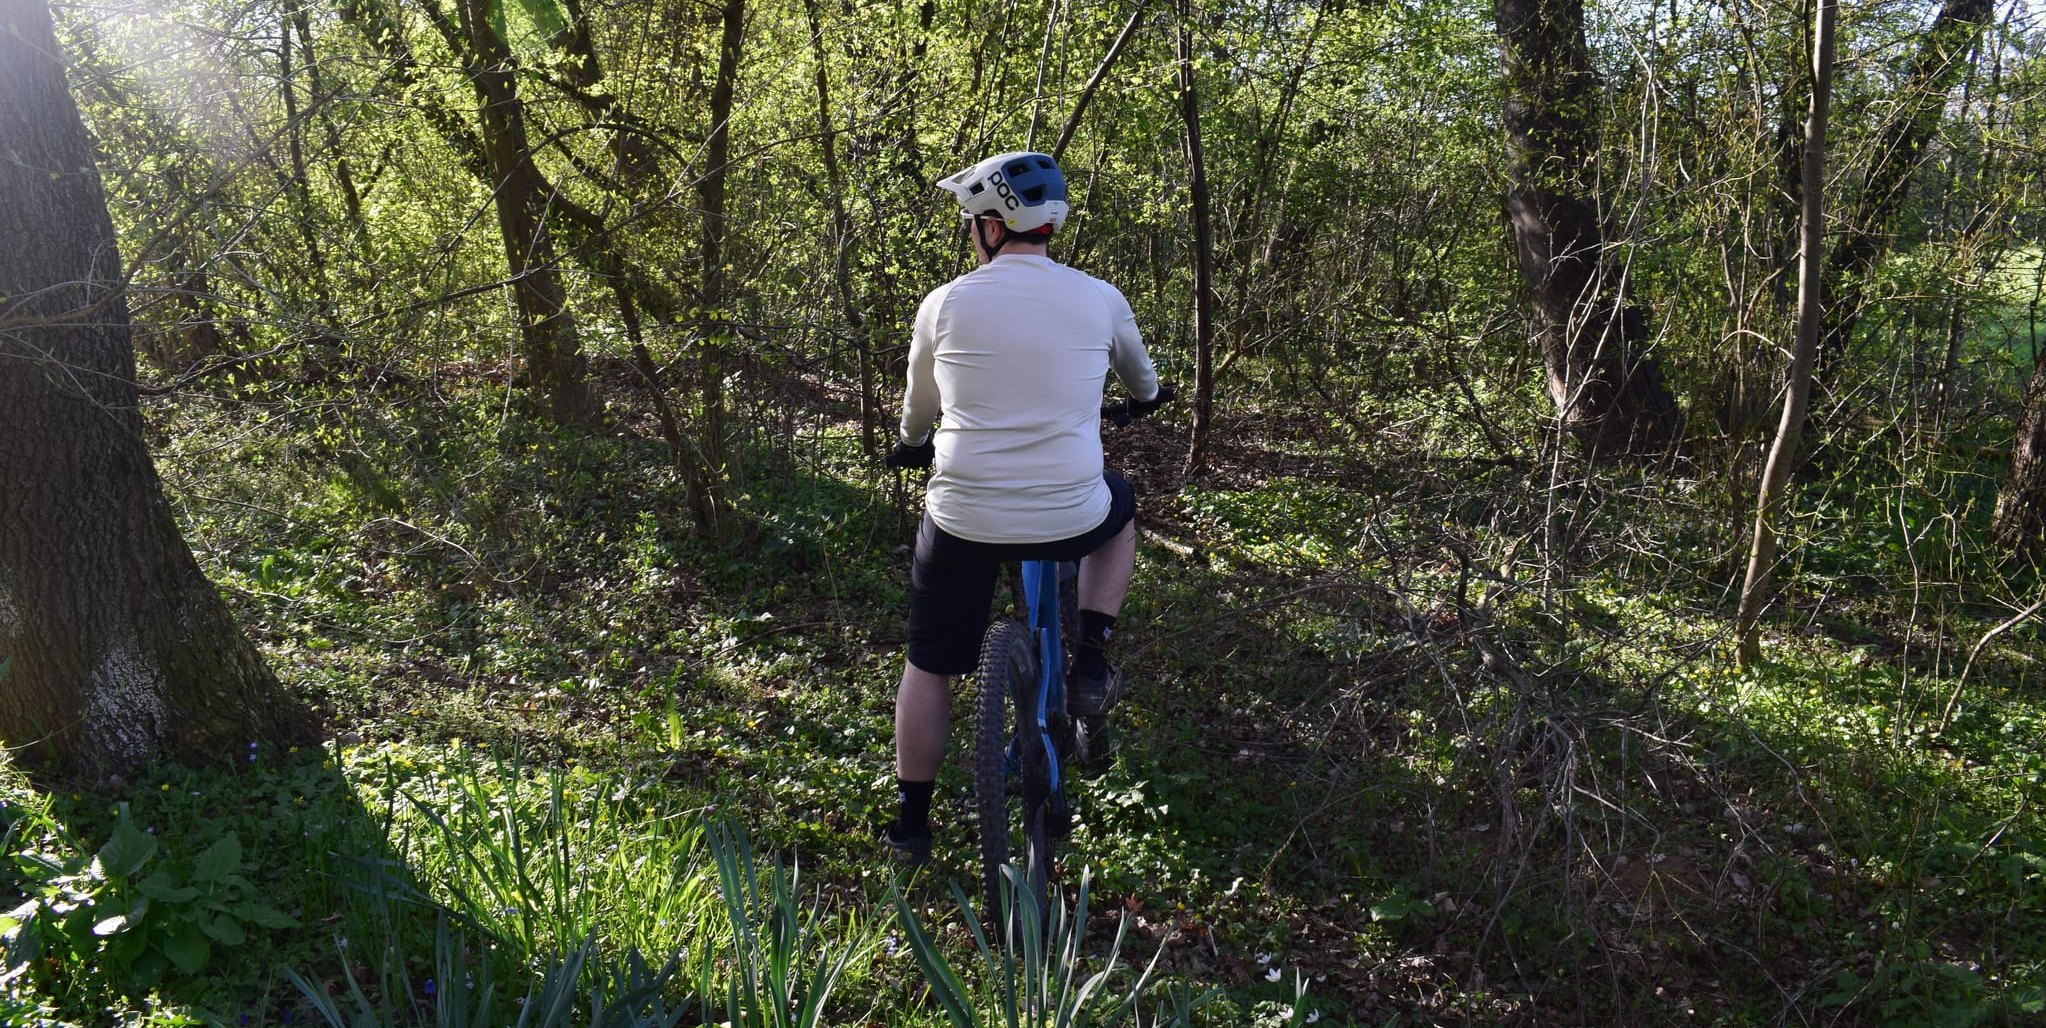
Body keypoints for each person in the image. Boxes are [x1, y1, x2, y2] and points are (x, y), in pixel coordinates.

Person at [878, 151, 1171, 866]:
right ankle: (1092, 656)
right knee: (1119, 511)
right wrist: (1143, 402)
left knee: (928, 663)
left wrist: (912, 445)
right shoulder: (1100, 297)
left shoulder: (944, 303)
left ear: (992, 226)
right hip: (1070, 512)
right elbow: (1144, 382)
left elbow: (919, 408)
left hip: (965, 517)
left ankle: (911, 826)